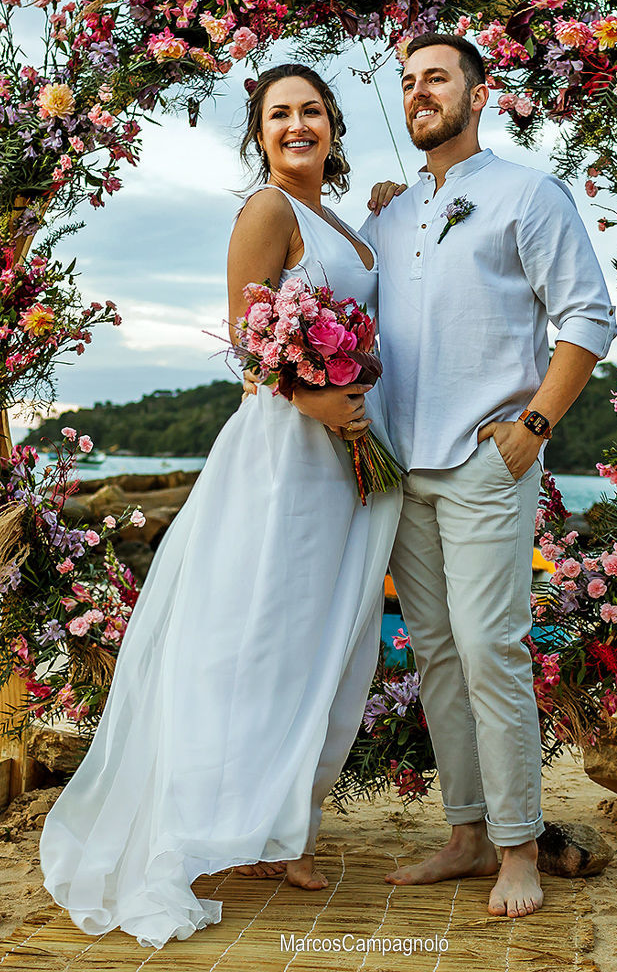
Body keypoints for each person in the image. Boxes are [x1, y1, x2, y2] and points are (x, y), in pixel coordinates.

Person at [39, 63, 403, 948]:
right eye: (279, 113)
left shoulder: (343, 225)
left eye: (311, 110)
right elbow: (249, 337)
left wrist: (390, 211)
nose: (297, 124)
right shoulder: (267, 210)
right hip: (284, 457)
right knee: (256, 633)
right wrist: (313, 399)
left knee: (326, 637)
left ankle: (283, 830)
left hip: (347, 462)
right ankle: (213, 824)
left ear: (334, 126)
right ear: (259, 132)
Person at [360, 33, 617, 918]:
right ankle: (466, 835)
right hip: (401, 465)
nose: (419, 91)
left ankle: (518, 852)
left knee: (490, 653)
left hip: (483, 460)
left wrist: (534, 426)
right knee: (432, 654)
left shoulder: (528, 193)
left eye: (437, 77)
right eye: (407, 82)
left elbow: (588, 316)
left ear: (480, 92)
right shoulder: (389, 217)